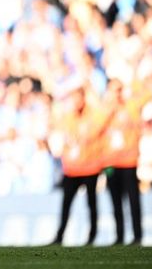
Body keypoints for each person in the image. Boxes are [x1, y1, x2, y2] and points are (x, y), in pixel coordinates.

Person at [51, 85, 108, 246]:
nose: (76, 102)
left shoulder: (93, 115)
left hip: (90, 166)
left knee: (91, 203)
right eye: (73, 98)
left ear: (84, 98)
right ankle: (60, 235)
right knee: (66, 203)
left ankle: (92, 235)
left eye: (78, 98)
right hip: (72, 168)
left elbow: (101, 120)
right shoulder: (68, 117)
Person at [103, 79, 148, 246]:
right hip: (110, 163)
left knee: (133, 199)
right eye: (114, 90)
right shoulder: (104, 110)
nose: (117, 94)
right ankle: (119, 235)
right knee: (115, 200)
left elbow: (138, 125)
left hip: (128, 161)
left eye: (119, 90)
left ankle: (137, 235)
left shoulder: (130, 108)